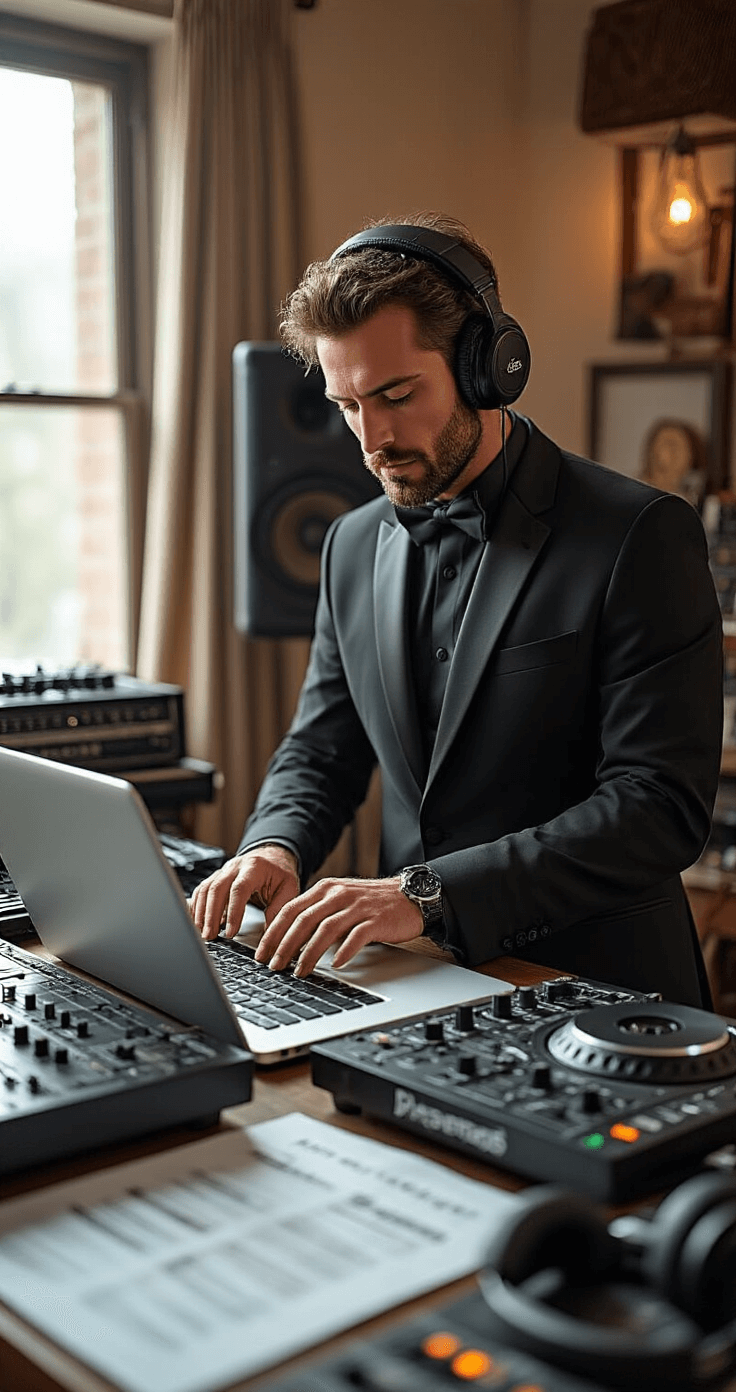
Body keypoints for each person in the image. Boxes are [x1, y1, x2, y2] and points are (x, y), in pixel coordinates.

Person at [190, 212, 723, 1008]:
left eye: (397, 395)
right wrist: (275, 843)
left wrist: (428, 895)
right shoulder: (349, 544)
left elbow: (658, 807)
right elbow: (324, 747)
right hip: (413, 987)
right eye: (347, 405)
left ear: (487, 367)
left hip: (602, 992)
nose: (372, 439)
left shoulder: (639, 533)